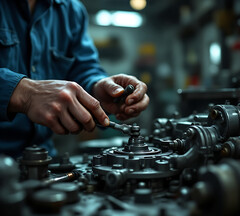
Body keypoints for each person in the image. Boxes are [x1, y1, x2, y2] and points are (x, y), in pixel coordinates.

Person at [0, 0, 149, 158]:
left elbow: (83, 68)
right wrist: (24, 93)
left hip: (42, 158)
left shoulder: (71, 10)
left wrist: (95, 88)